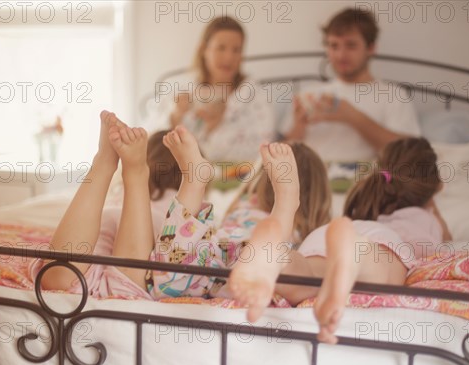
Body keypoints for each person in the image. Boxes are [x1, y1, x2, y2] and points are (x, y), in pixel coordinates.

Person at [228, 137, 452, 343]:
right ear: (435, 188)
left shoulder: (367, 209)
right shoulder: (425, 219)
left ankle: (275, 255)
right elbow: (446, 241)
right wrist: (433, 206)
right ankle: (354, 250)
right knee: (377, 272)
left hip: (323, 237)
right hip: (363, 242)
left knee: (305, 276)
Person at [148, 125, 331, 299]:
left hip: (217, 250)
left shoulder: (244, 202)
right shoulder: (303, 227)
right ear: (317, 197)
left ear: (258, 179)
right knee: (276, 261)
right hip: (251, 257)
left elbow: (225, 218)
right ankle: (285, 202)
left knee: (168, 279)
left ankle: (193, 182)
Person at [31, 111, 181, 298]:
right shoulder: (182, 200)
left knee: (58, 276)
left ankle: (103, 162)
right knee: (128, 286)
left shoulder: (118, 193)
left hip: (107, 220)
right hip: (149, 228)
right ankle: (135, 174)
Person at [282, 8, 421, 162]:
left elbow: (410, 154)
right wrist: (298, 128)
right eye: (334, 46)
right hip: (309, 179)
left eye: (351, 45)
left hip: (364, 182)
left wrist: (353, 117)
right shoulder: (309, 93)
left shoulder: (393, 96)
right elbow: (282, 154)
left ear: (371, 48)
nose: (340, 55)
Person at [149, 16, 274, 162]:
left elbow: (260, 151)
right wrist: (176, 116)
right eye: (221, 48)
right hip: (180, 177)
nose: (229, 57)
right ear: (204, 49)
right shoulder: (182, 91)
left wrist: (217, 126)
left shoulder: (254, 95)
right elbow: (153, 143)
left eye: (236, 50)